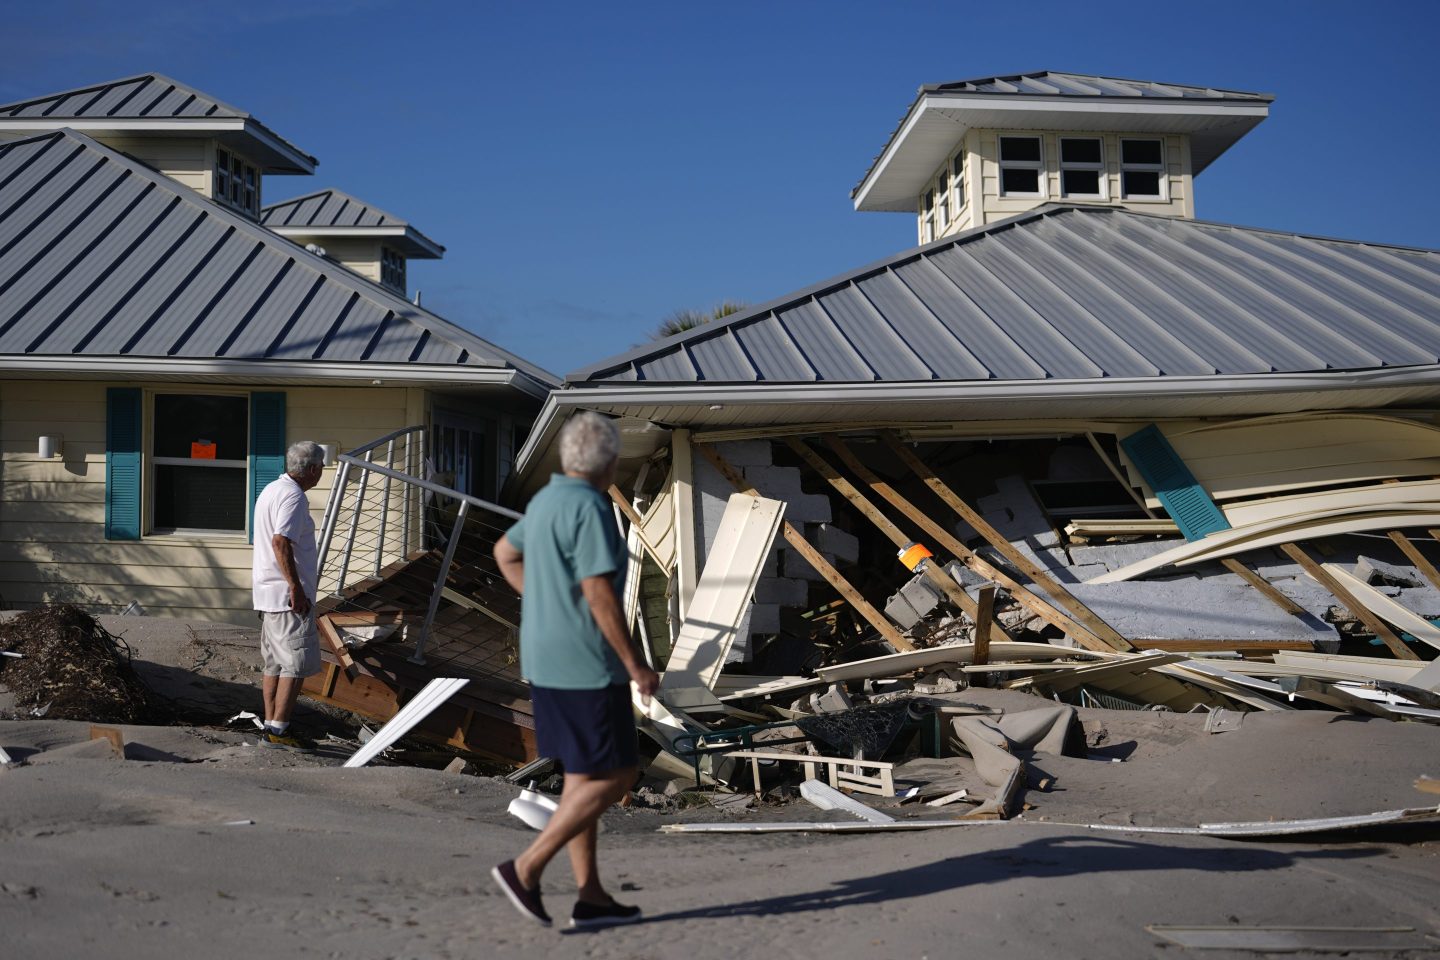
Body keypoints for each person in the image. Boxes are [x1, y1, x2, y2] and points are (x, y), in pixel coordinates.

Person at [491, 411, 660, 930]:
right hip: (587, 662)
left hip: (544, 658)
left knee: (584, 777)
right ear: (608, 461)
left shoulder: (545, 502)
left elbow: (504, 552)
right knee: (619, 773)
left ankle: (590, 895)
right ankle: (526, 868)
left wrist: (544, 601)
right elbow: (598, 593)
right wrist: (637, 664)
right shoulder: (590, 507)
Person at [251, 440, 326, 749]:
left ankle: (271, 725)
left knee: (275, 664)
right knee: (295, 664)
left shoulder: (271, 489)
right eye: (320, 468)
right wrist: (296, 588)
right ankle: (279, 731)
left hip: (267, 592)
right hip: (286, 596)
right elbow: (281, 541)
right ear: (310, 469)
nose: (321, 473)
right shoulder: (293, 497)